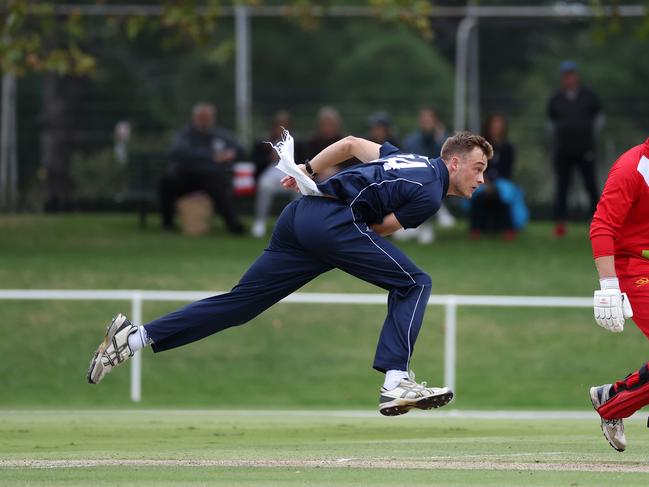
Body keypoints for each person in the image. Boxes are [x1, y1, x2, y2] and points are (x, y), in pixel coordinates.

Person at [87, 131, 492, 416]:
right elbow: (379, 231)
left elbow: (350, 144)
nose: (481, 177)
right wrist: (338, 239)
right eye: (477, 167)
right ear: (452, 162)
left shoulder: (403, 157)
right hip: (332, 224)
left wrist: (307, 169)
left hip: (299, 215)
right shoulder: (429, 192)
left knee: (240, 304)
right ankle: (396, 381)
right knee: (415, 282)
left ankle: (134, 337)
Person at [588, 138, 649, 452]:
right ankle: (613, 403)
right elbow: (602, 225)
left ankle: (612, 397)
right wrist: (609, 286)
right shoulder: (631, 167)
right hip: (635, 266)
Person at [159, 103, 245, 234]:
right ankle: (167, 224)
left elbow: (240, 149)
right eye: (201, 117)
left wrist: (231, 154)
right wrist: (212, 156)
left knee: (219, 188)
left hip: (210, 177)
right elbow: (178, 152)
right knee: (167, 183)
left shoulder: (220, 135)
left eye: (208, 117)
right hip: (185, 176)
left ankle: (234, 226)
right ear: (195, 117)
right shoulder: (185, 135)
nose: (204, 120)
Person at [547, 60, 603, 237]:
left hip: (585, 148)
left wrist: (587, 133)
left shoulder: (589, 96)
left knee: (590, 185)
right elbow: (550, 122)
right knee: (562, 186)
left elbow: (599, 119)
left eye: (571, 75)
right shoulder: (556, 98)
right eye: (566, 76)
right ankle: (560, 224)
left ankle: (597, 223)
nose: (569, 79)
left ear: (576, 76)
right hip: (563, 149)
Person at [397, 106, 455, 244]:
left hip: (440, 183)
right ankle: (430, 219)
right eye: (424, 119)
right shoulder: (411, 141)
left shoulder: (444, 140)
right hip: (413, 183)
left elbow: (450, 161)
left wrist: (440, 139)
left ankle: (436, 215)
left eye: (429, 119)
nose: (426, 122)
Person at [469, 114, 528, 240]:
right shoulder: (480, 147)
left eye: (500, 127)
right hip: (482, 180)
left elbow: (507, 171)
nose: (497, 129)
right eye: (494, 126)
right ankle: (475, 229)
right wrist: (487, 182)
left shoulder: (508, 148)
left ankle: (509, 228)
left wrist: (494, 185)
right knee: (477, 194)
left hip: (502, 181)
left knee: (505, 194)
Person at [250, 111, 303, 238]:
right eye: (278, 125)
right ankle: (260, 221)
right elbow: (256, 164)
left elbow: (304, 161)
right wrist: (270, 157)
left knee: (300, 187)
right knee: (264, 185)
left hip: (292, 173)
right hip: (271, 173)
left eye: (285, 125)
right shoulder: (264, 143)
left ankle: (297, 223)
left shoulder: (298, 143)